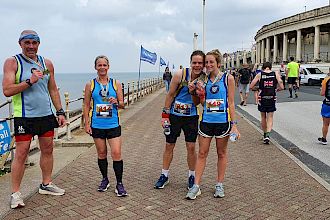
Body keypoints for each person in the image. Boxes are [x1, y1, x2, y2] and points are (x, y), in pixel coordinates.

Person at [2, 30, 66, 209]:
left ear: (39, 44)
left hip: (46, 114)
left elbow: (53, 89)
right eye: (27, 42)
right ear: (20, 43)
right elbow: (7, 90)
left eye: (34, 43)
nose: (31, 46)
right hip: (24, 116)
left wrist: (60, 111)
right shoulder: (12, 62)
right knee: (21, 154)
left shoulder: (47, 63)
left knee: (48, 149)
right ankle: (15, 194)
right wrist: (29, 81)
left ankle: (46, 184)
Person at [185, 49, 240, 200]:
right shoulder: (202, 80)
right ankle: (196, 186)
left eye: (211, 62)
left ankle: (219, 184)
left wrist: (234, 124)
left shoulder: (227, 78)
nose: (208, 65)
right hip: (206, 121)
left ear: (218, 63)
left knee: (221, 153)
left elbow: (231, 102)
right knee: (202, 153)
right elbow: (201, 103)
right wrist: (196, 93)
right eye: (206, 62)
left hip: (222, 122)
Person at [154, 50, 205, 190]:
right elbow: (170, 94)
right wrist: (165, 115)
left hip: (191, 117)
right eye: (194, 62)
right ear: (190, 63)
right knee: (169, 145)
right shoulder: (179, 74)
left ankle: (191, 175)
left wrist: (193, 91)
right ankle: (164, 175)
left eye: (200, 63)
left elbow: (197, 103)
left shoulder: (204, 79)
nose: (197, 65)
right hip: (175, 115)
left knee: (191, 147)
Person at [83, 55, 127, 196]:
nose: (102, 67)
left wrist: (117, 102)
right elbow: (86, 104)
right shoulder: (90, 84)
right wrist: (87, 123)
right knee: (101, 153)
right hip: (97, 124)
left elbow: (122, 104)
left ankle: (119, 183)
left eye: (104, 65)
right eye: (99, 65)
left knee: (116, 153)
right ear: (95, 67)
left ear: (108, 67)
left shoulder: (116, 84)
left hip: (113, 124)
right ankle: (105, 179)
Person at [249, 62, 284, 144]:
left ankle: (265, 135)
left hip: (262, 97)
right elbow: (281, 83)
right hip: (272, 97)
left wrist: (258, 88)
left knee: (263, 116)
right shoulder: (275, 73)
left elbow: (251, 86)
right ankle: (268, 134)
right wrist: (278, 89)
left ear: (263, 68)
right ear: (270, 67)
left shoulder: (259, 74)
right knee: (270, 117)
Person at [318, 72, 330, 145]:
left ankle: (324, 139)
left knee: (326, 123)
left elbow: (322, 93)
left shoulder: (326, 80)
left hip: (328, 104)